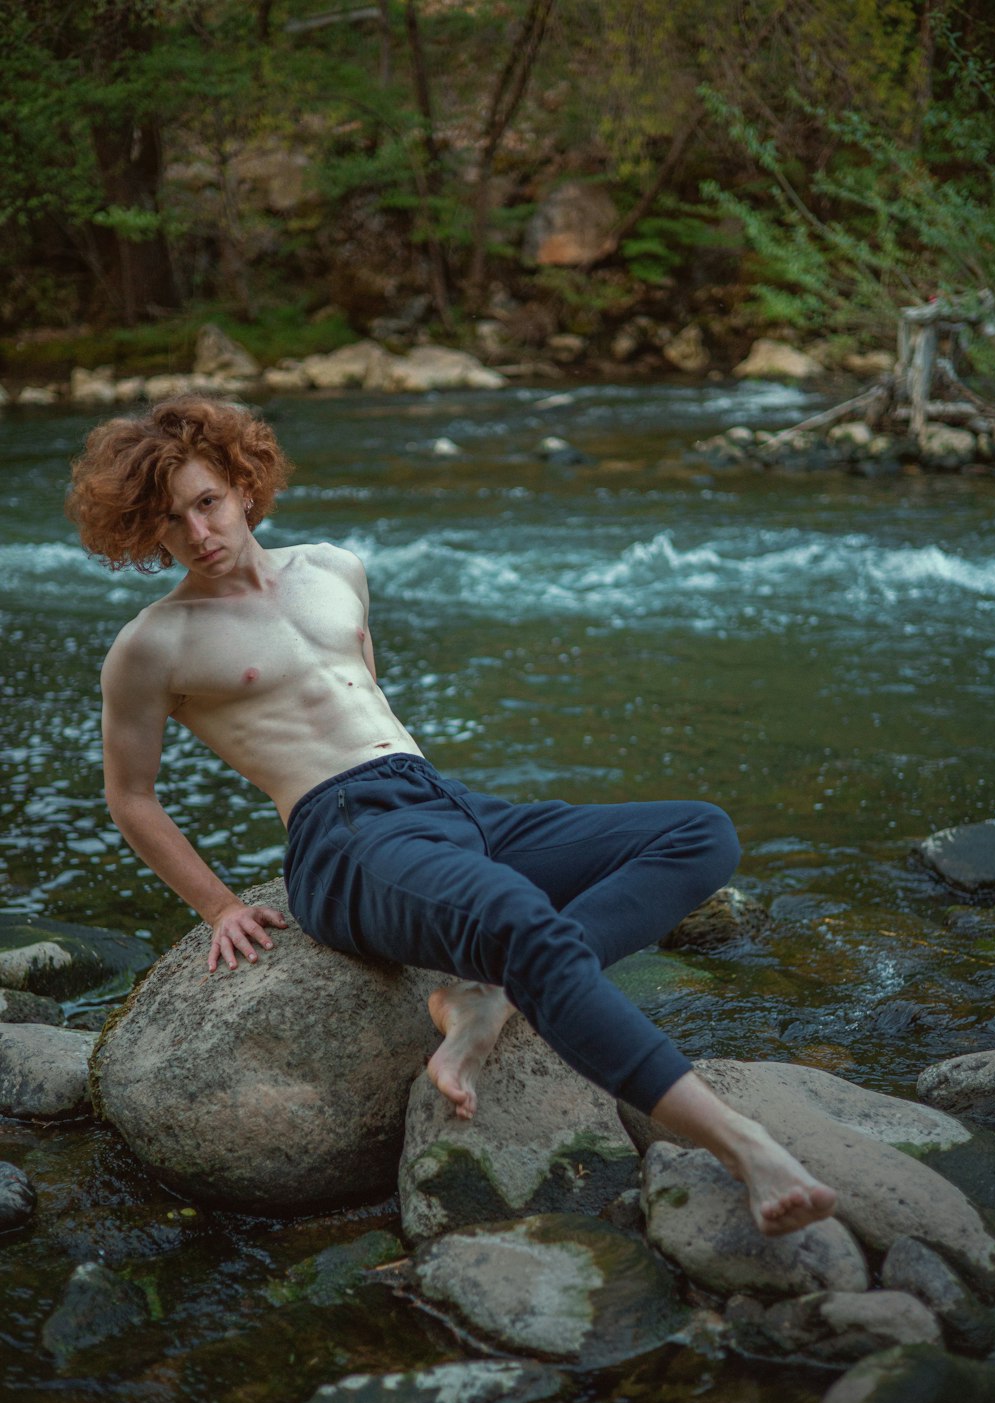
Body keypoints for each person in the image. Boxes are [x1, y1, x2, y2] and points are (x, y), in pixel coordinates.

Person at [67, 395, 836, 1237]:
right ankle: (742, 1144)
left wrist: (444, 817)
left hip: (439, 799)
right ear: (149, 532)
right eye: (170, 521)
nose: (198, 532)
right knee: (521, 920)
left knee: (700, 833)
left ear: (244, 486)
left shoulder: (332, 568)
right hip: (345, 837)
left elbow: (367, 703)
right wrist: (217, 905)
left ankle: (497, 995)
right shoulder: (155, 644)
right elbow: (130, 794)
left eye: (207, 502)